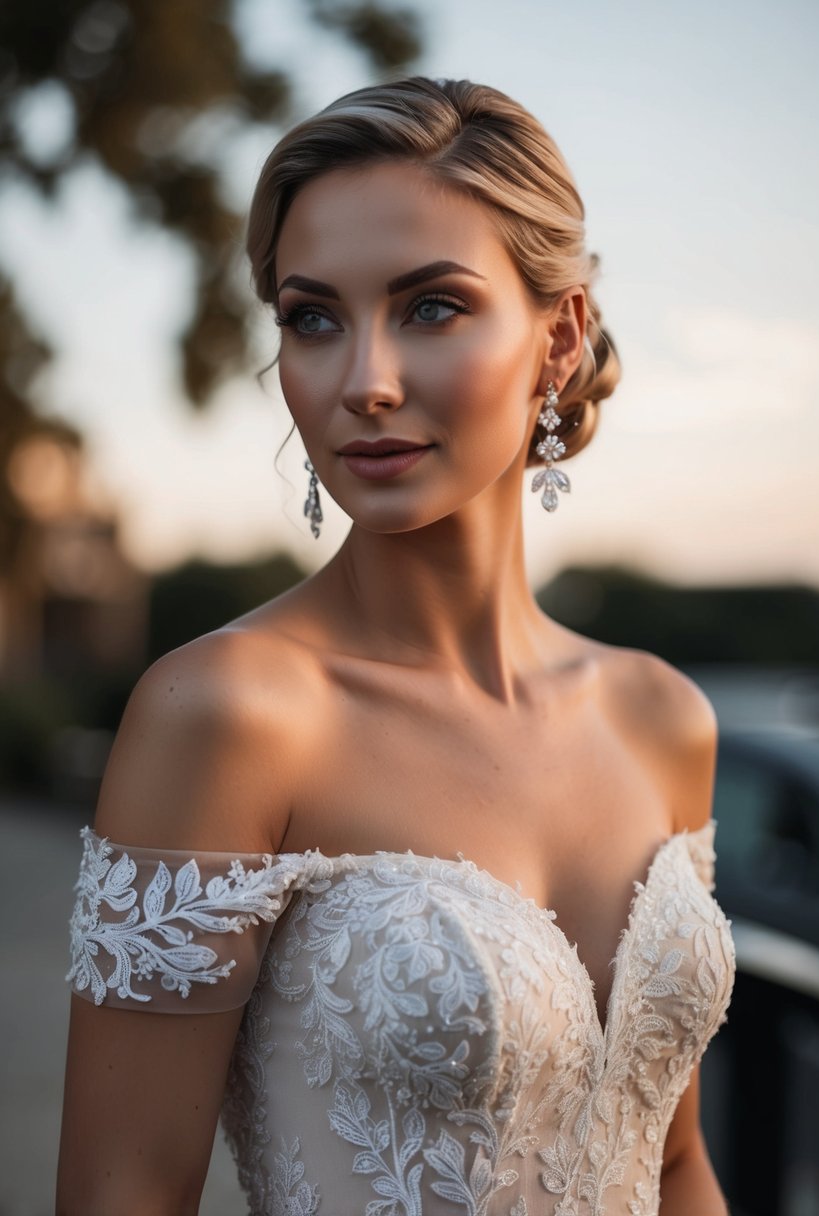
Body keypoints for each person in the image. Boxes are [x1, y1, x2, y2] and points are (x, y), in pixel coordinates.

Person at [57, 77, 735, 1216]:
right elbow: (124, 1192)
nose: (362, 381)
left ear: (558, 335)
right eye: (312, 317)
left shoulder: (661, 719)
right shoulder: (228, 713)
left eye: (430, 306)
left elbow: (672, 1165)